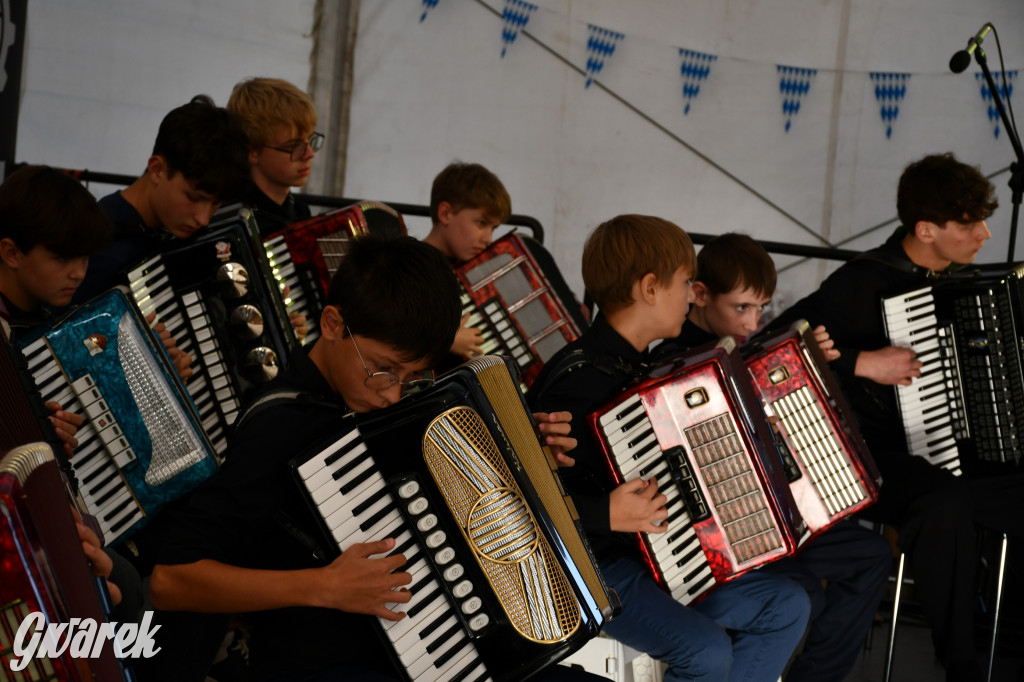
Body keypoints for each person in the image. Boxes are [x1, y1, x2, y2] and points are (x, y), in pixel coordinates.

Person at [148, 235, 586, 681]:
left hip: (434, 638)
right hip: (322, 660)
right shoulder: (279, 426)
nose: (393, 393)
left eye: (413, 374)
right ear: (333, 324)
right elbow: (170, 581)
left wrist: (525, 463)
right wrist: (323, 586)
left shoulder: (386, 406)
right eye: (383, 368)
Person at [761, 153, 1024, 682]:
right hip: (871, 457)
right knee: (941, 502)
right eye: (970, 223)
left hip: (948, 456)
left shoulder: (968, 285)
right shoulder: (859, 285)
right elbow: (771, 351)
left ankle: (1010, 630)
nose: (986, 235)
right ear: (926, 229)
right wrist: (863, 363)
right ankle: (961, 662)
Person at [527, 215, 811, 682]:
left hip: (662, 555)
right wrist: (604, 514)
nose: (691, 293)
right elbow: (524, 505)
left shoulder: (651, 366)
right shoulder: (575, 382)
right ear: (650, 288)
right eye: (685, 282)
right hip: (595, 567)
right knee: (706, 653)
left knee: (786, 604)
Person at [663, 232, 891, 682]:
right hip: (732, 527)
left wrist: (812, 365)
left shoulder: (745, 348)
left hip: (775, 514)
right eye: (741, 308)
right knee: (805, 594)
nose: (753, 322)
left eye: (761, 308)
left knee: (872, 553)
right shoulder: (674, 356)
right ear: (701, 295)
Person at [74, 94, 251, 305]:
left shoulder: (195, 236)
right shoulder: (97, 243)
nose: (203, 219)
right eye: (193, 198)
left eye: (215, 203)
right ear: (157, 169)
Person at [0, 165, 110, 456]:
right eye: (62, 258)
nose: (77, 273)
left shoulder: (53, 323)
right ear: (12, 253)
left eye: (84, 257)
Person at [423, 161, 511, 361]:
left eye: (494, 228)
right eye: (482, 223)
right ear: (446, 214)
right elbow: (389, 330)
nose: (488, 239)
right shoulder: (409, 265)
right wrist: (447, 341)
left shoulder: (475, 270)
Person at [226, 77, 319, 238]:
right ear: (253, 151)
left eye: (310, 140)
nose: (310, 154)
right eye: (293, 146)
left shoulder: (299, 210)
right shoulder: (231, 219)